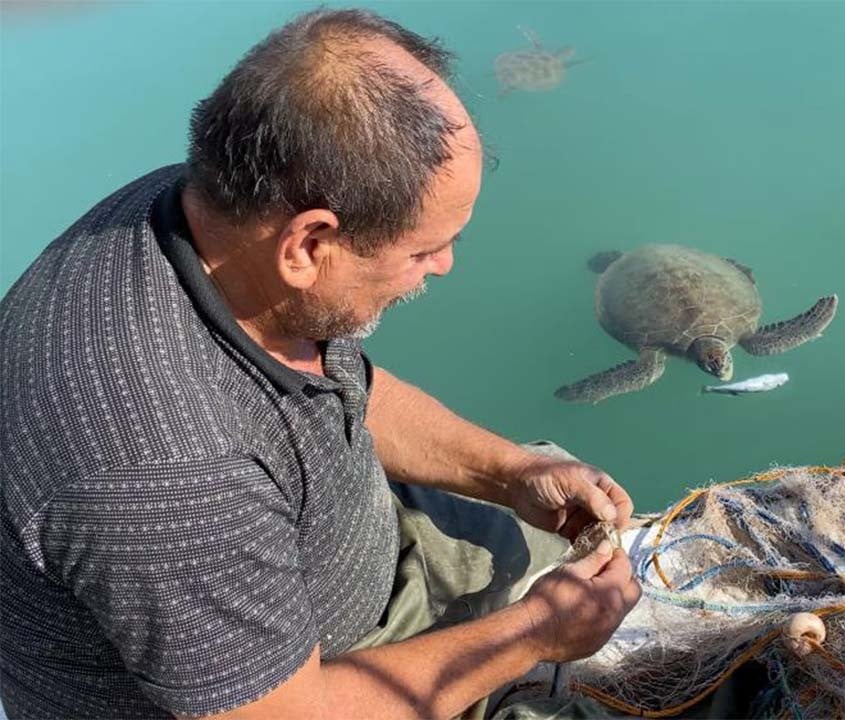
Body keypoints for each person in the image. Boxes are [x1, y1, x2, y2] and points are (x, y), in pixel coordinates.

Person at [0, 8, 640, 719]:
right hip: (306, 687)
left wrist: (511, 475)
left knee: (565, 519)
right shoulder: (167, 474)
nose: (446, 265)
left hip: (347, 553)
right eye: (423, 250)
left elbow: (337, 385)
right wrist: (536, 634)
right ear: (307, 245)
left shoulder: (209, 213)